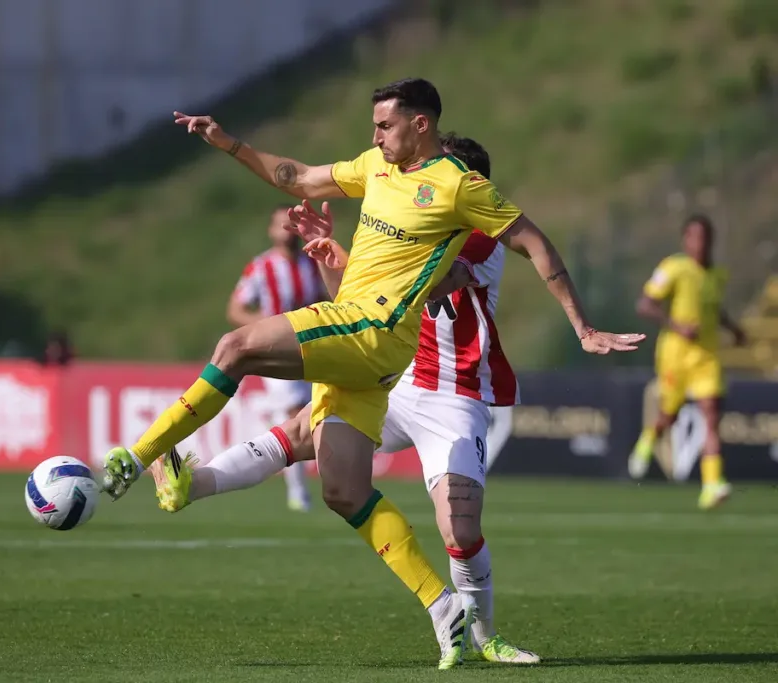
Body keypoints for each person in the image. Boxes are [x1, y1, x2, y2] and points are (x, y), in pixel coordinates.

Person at [101, 78, 642, 669]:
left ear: (421, 126)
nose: (376, 135)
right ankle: (443, 609)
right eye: (375, 125)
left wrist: (584, 328)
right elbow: (302, 182)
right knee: (336, 482)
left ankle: (139, 453)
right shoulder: (378, 173)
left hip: (442, 382)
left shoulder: (468, 212)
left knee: (240, 350)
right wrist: (230, 145)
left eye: (385, 125)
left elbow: (473, 265)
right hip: (396, 371)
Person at [152, 133, 537, 665]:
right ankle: (191, 482)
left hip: (454, 394)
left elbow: (428, 278)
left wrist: (362, 253)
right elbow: (355, 303)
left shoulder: (480, 238)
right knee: (296, 436)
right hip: (397, 375)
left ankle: (486, 635)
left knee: (459, 527)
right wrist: (335, 258)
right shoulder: (411, 219)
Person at [628, 215, 746, 509]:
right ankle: (648, 438)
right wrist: (677, 326)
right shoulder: (673, 268)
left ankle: (711, 485)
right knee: (671, 414)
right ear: (685, 240)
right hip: (675, 354)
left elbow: (714, 310)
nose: (700, 243)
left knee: (711, 414)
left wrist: (733, 329)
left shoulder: (717, 274)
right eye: (694, 237)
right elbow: (645, 305)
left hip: (706, 355)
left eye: (705, 238)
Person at [228, 205, 329, 512]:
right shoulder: (261, 267)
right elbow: (235, 309)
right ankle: (299, 493)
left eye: (291, 224)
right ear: (271, 231)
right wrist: (264, 329)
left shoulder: (313, 265)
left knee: (309, 418)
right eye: (280, 224)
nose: (287, 229)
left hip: (313, 350)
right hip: (277, 351)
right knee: (294, 413)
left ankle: (304, 483)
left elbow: (327, 302)